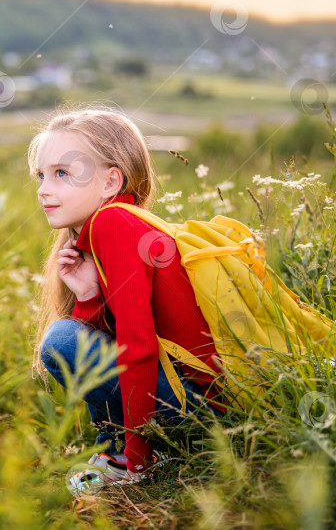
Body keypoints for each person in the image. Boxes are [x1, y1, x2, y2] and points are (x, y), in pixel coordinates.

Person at [28, 105, 228, 487]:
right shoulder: (116, 225)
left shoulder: (113, 223)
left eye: (62, 174)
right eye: (42, 174)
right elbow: (115, 340)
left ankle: (128, 457)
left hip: (209, 415)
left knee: (62, 340)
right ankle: (120, 449)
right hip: (201, 403)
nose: (43, 188)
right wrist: (88, 295)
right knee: (72, 336)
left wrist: (140, 462)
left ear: (110, 182)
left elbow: (137, 349)